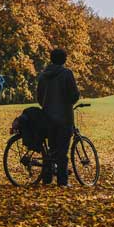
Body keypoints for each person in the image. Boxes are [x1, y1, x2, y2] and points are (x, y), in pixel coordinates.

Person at [37, 48, 80, 186]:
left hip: (47, 116)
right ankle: (62, 181)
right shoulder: (67, 74)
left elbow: (39, 96)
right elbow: (74, 94)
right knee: (62, 151)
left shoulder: (43, 75)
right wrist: (68, 103)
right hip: (64, 117)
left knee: (51, 148)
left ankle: (47, 178)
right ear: (63, 60)